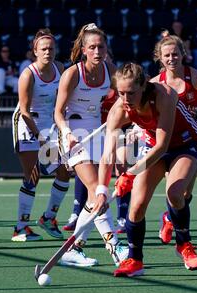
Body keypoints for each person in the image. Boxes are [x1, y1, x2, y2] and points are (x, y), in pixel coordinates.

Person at [93, 62, 178, 276]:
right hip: (152, 143)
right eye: (120, 93)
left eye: (130, 93)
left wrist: (130, 173)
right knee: (136, 206)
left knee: (180, 194)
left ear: (143, 86)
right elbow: (108, 154)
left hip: (182, 141)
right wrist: (101, 191)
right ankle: (135, 261)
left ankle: (180, 235)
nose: (125, 99)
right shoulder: (118, 110)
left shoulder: (162, 96)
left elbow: (162, 146)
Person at [54, 23, 128, 267]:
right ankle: (114, 247)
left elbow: (124, 101)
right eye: (93, 47)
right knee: (98, 190)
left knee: (93, 196)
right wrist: (67, 133)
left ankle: (74, 248)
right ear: (84, 49)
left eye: (102, 47)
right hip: (72, 134)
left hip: (97, 132)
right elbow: (58, 113)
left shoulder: (111, 70)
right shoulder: (72, 73)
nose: (98, 51)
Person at [153, 32, 197, 246]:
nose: (171, 58)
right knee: (172, 187)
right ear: (160, 57)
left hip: (192, 138)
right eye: (166, 55)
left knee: (185, 192)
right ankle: (181, 236)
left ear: (182, 55)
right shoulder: (156, 83)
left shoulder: (195, 77)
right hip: (166, 140)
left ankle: (168, 218)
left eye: (175, 54)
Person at [11, 28, 70, 241]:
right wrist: (39, 137)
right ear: (35, 51)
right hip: (27, 125)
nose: (48, 52)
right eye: (43, 49)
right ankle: (20, 227)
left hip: (49, 125)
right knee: (33, 175)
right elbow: (24, 111)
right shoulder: (28, 74)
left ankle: (49, 217)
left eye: (51, 48)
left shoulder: (60, 68)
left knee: (64, 170)